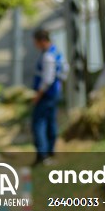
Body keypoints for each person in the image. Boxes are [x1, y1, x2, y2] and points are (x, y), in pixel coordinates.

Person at [31, 28, 65, 164]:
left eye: (36, 42)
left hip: (46, 95)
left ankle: (43, 154)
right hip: (54, 93)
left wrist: (37, 96)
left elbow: (47, 80)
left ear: (42, 41)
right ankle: (51, 150)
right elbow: (64, 71)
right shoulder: (57, 53)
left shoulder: (47, 57)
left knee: (39, 123)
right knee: (51, 122)